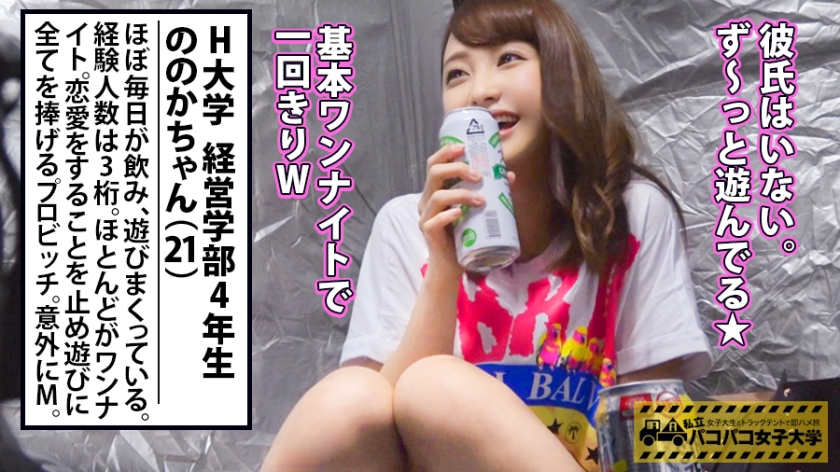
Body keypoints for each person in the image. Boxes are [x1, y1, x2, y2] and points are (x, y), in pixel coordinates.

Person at [261, 0, 712, 470]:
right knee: (351, 396)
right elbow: (377, 429)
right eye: (457, 74)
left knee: (435, 386)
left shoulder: (629, 213)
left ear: (562, 74)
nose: (481, 90)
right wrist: (443, 266)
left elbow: (652, 412)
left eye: (508, 59)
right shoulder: (405, 225)